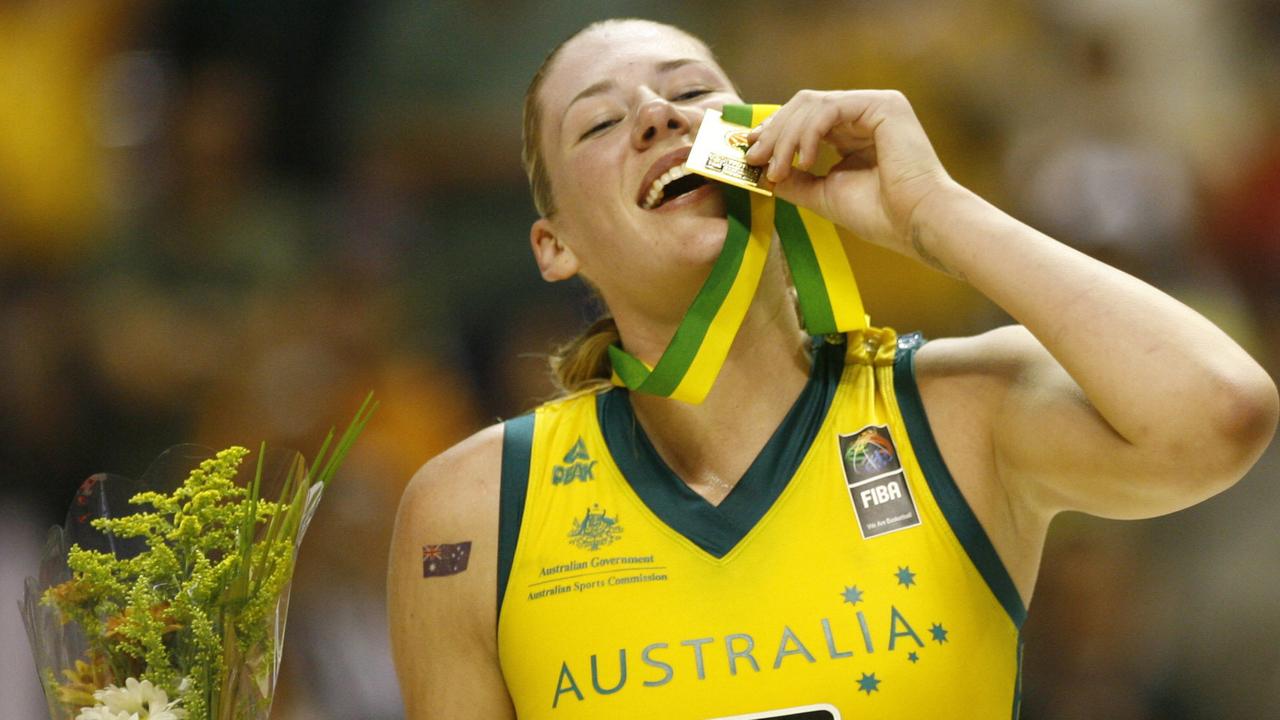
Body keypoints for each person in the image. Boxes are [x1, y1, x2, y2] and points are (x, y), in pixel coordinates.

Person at [387, 18, 1278, 719]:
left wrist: (933, 215)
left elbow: (1221, 413)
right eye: (602, 122)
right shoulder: (474, 509)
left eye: (694, 93)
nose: (659, 116)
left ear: (763, 143)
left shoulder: (958, 410)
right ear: (555, 247)